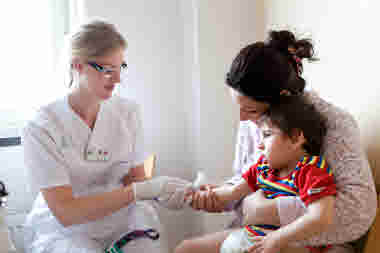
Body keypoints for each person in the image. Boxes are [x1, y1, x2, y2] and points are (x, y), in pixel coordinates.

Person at [176, 30, 377, 253]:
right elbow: (251, 180)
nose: (242, 118)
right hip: (258, 229)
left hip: (306, 238)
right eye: (239, 107)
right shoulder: (254, 120)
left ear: (282, 97)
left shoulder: (333, 126)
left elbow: (357, 211)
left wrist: (267, 210)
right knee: (186, 249)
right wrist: (222, 194)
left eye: (250, 109)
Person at [23, 19, 191, 253]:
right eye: (107, 69)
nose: (118, 79)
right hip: (68, 230)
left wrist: (167, 195)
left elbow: (137, 180)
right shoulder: (42, 126)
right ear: (78, 65)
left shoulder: (127, 112)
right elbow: (65, 211)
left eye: (120, 67)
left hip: (123, 219)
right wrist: (136, 192)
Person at [218, 95, 336, 253]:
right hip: (255, 241)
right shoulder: (264, 167)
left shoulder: (311, 170)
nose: (260, 145)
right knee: (231, 244)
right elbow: (233, 192)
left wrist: (278, 238)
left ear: (295, 138)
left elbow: (320, 217)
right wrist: (203, 195)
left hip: (290, 244)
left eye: (267, 135)